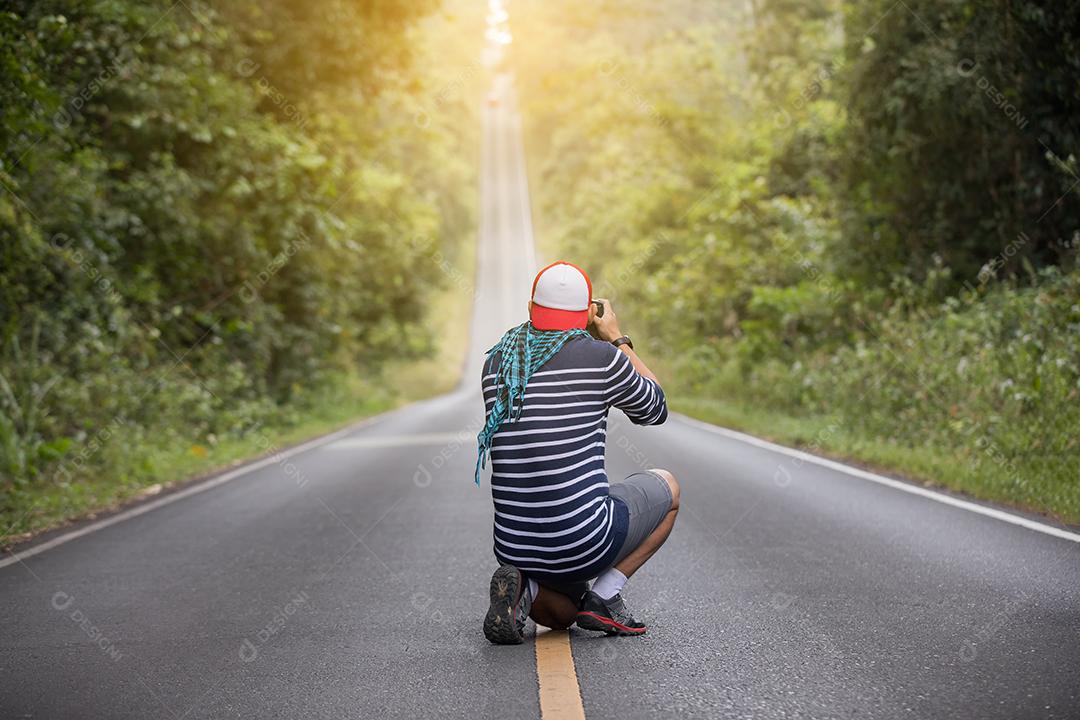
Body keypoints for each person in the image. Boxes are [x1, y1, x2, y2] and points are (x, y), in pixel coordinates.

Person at [477, 260, 680, 645]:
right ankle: (604, 596)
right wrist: (617, 338)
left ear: (530, 309)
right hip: (580, 540)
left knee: (564, 616)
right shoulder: (602, 359)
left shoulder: (497, 361)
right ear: (588, 313)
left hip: (513, 545)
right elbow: (655, 408)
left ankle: (525, 587)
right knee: (669, 488)